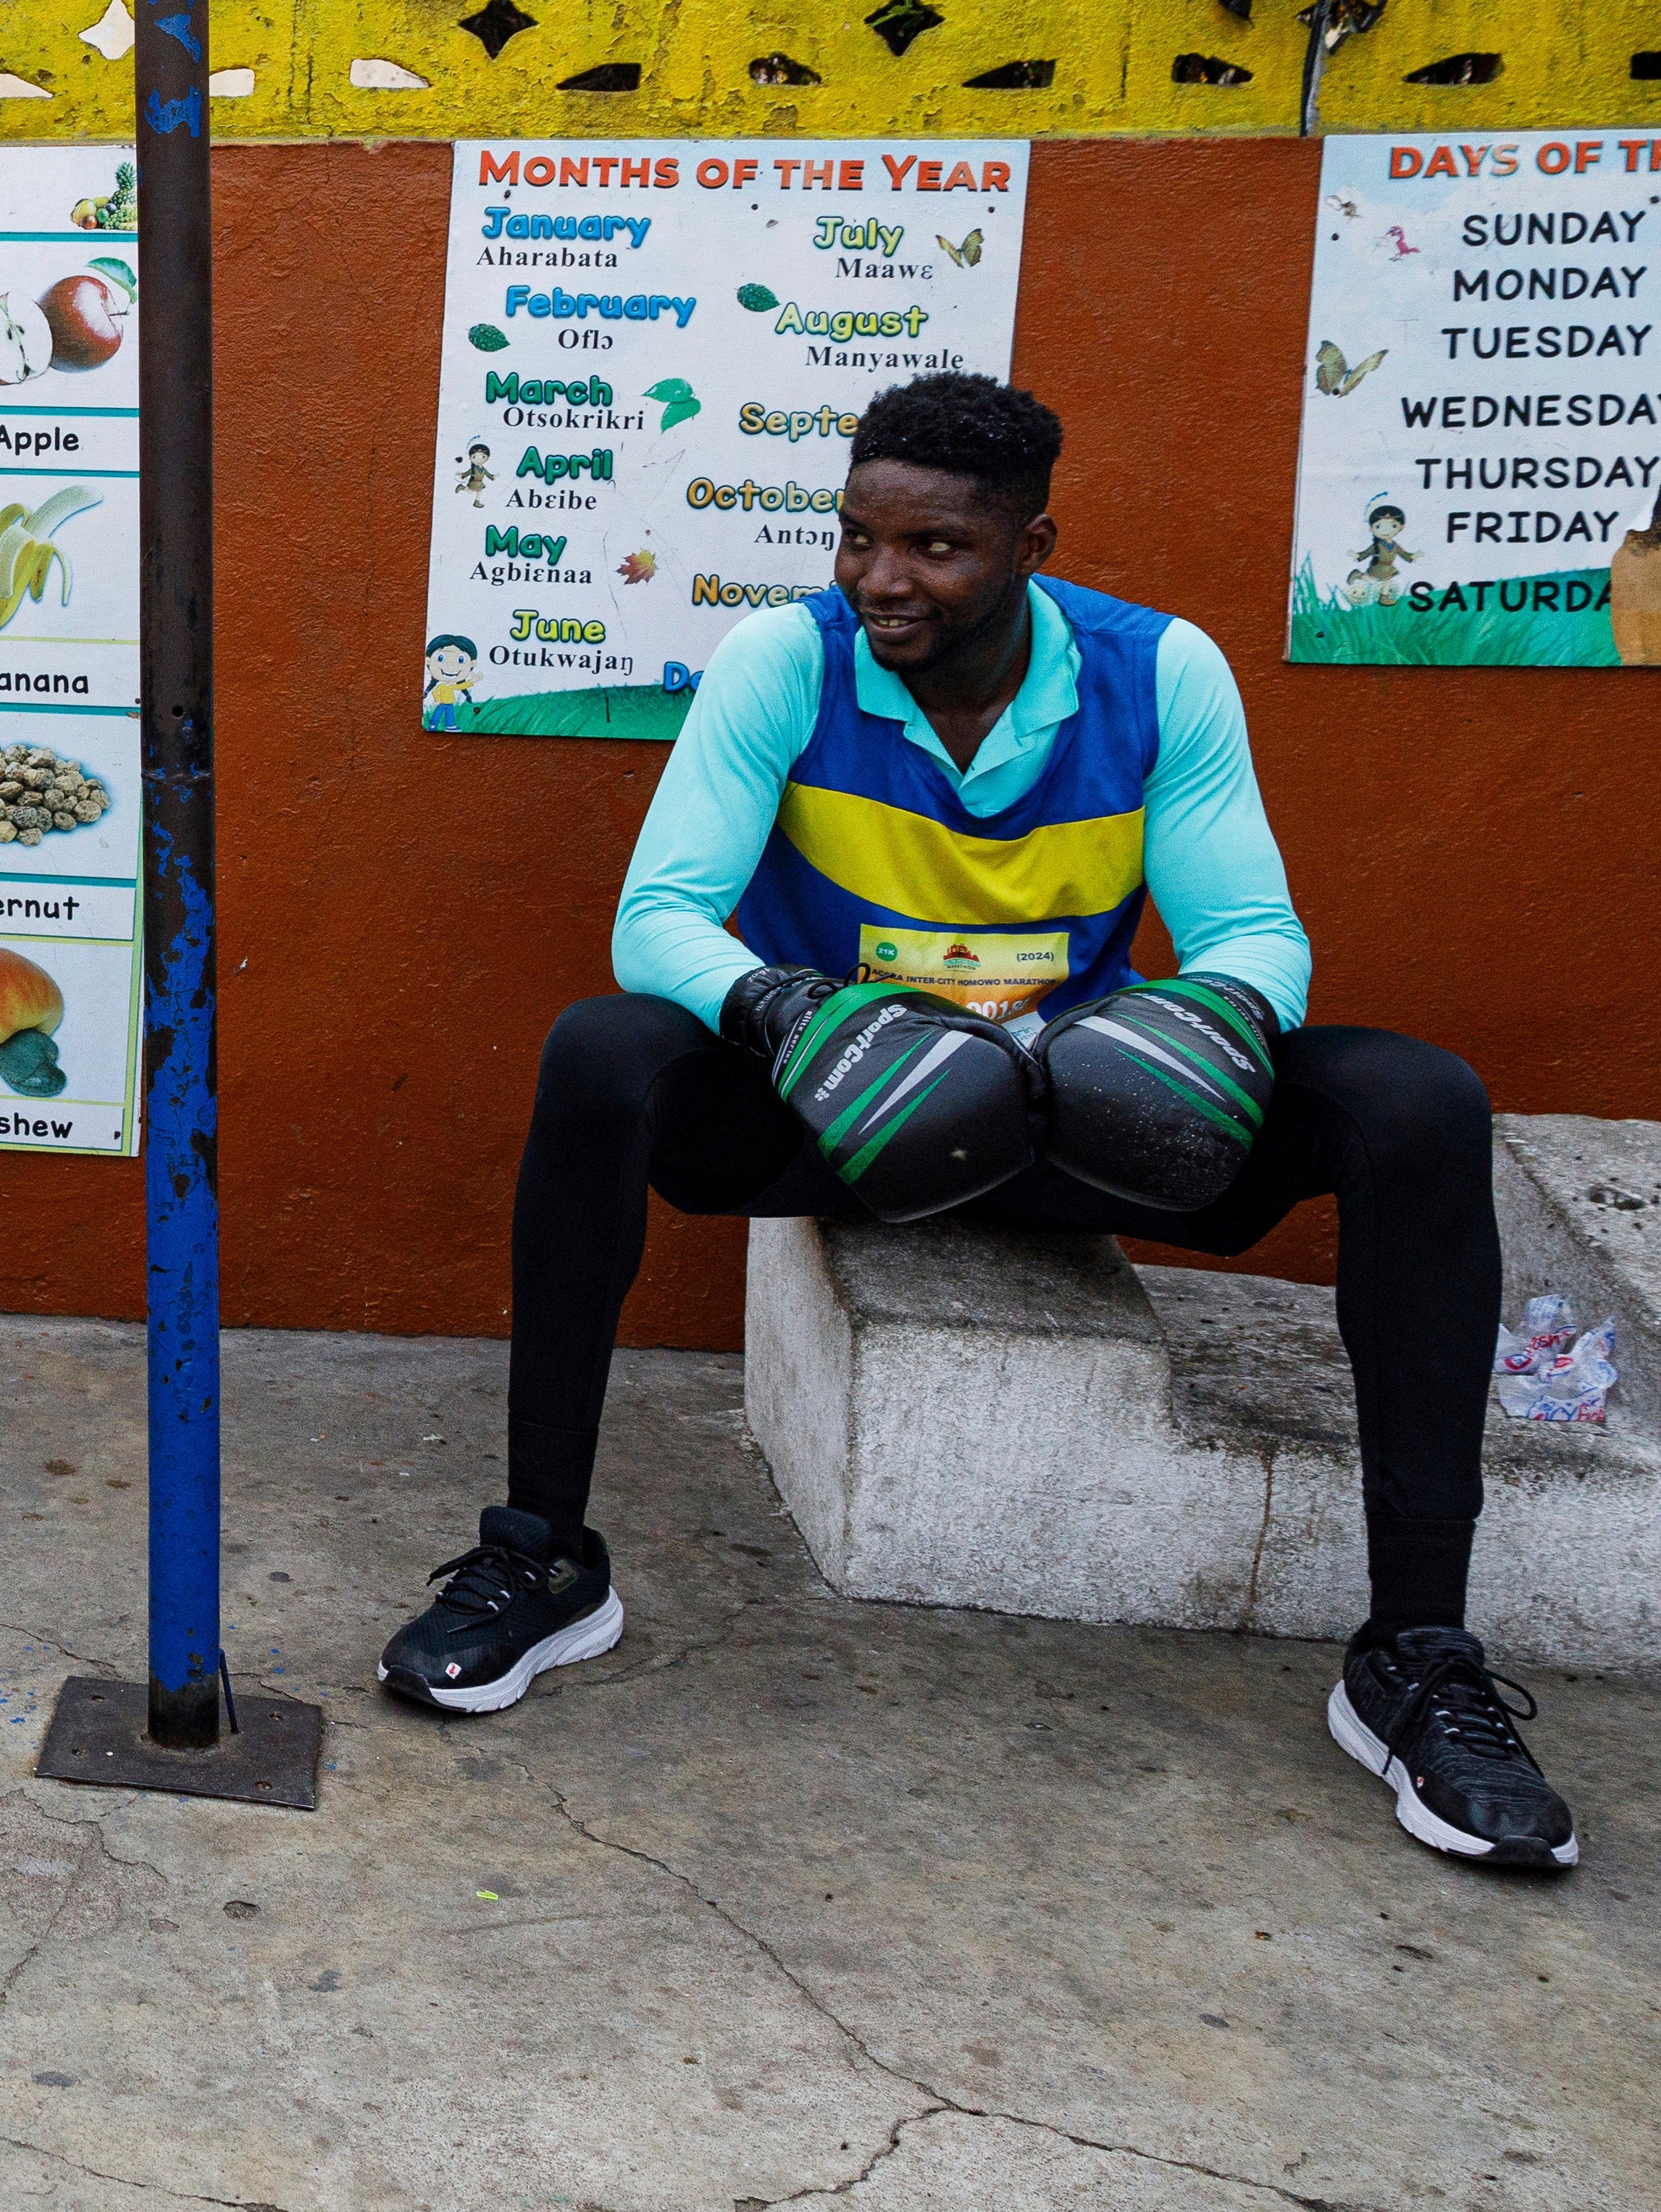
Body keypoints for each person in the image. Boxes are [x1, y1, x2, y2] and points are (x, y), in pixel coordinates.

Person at [379, 370, 1580, 1874]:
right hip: (847, 1106)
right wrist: (797, 1016)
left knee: (1417, 1097)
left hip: (1081, 1120)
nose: (884, 578)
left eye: (935, 546)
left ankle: (1416, 1656)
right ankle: (541, 1552)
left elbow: (1258, 934)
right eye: (858, 538)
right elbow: (660, 919)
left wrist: (1183, 1032)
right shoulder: (784, 660)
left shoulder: (1163, 671)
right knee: (602, 1053)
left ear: (1031, 541)